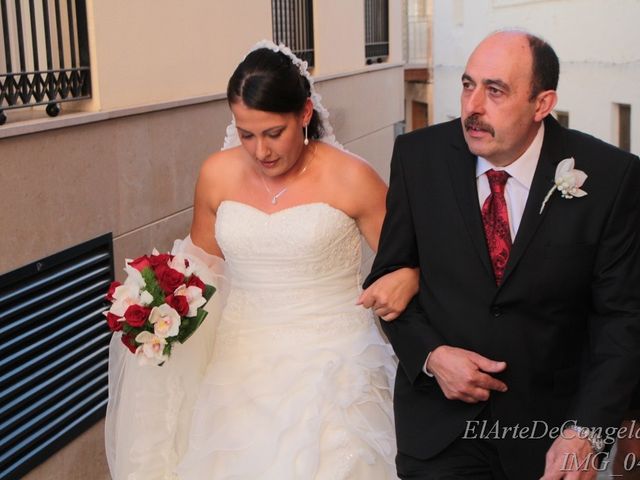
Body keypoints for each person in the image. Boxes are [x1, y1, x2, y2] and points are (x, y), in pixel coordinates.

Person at [105, 40, 418, 480]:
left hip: (333, 362)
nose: (261, 150)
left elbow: (405, 258)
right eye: (247, 134)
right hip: (239, 367)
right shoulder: (217, 173)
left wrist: (406, 275)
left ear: (305, 114)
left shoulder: (353, 177)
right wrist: (161, 302)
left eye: (274, 133)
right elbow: (201, 270)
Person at [361, 30, 640, 479]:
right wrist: (432, 356)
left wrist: (587, 431)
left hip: (549, 436)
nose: (473, 106)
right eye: (468, 85)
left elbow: (622, 318)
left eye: (495, 91)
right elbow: (390, 280)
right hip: (440, 433)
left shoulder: (612, 176)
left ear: (542, 104)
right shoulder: (418, 157)